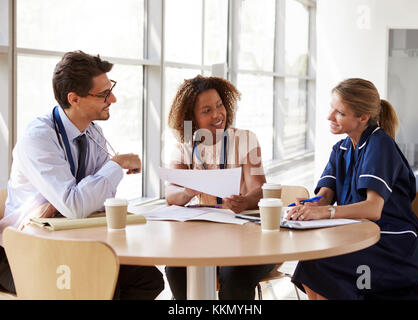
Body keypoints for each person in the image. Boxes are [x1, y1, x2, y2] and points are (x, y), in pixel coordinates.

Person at [0, 51, 164, 299]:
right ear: (74, 99)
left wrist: (60, 205)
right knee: (101, 285)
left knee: (149, 279)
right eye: (104, 94)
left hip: (70, 240)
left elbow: (95, 200)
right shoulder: (38, 139)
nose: (114, 99)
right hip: (23, 251)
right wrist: (115, 165)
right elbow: (77, 206)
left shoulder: (92, 133)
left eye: (111, 89)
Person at [286, 78, 418, 300]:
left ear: (363, 117)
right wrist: (307, 206)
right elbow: (324, 196)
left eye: (340, 113)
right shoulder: (341, 148)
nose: (329, 117)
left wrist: (325, 212)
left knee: (320, 266)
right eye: (331, 109)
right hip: (359, 237)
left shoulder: (380, 144)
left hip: (393, 246)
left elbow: (373, 209)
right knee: (310, 264)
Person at [164, 75, 275, 300]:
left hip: (250, 236)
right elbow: (171, 195)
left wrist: (244, 201)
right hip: (208, 237)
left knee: (234, 276)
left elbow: (259, 189)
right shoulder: (185, 146)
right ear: (191, 118)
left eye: (219, 105)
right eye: (206, 111)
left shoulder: (245, 139)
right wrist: (190, 189)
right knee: (176, 269)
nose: (217, 115)